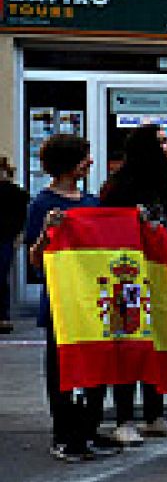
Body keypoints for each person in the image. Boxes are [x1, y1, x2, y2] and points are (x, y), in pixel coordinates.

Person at [24, 135, 117, 462]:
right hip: (62, 301)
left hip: (92, 298)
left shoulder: (91, 203)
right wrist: (46, 233)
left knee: (97, 366)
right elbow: (34, 260)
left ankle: (88, 428)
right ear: (71, 164)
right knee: (62, 368)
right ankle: (64, 434)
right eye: (85, 158)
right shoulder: (42, 204)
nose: (90, 163)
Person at [99, 124, 167, 446]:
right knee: (128, 347)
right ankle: (123, 418)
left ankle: (154, 416)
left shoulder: (163, 184)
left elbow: (164, 228)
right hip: (126, 279)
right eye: (163, 141)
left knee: (157, 346)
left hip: (156, 278)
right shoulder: (120, 187)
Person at [0, 156, 27, 334]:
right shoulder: (16, 192)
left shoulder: (14, 192)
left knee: (1, 277)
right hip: (6, 237)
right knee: (2, 277)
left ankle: (3, 316)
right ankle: (3, 316)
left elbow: (20, 216)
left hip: (5, 237)